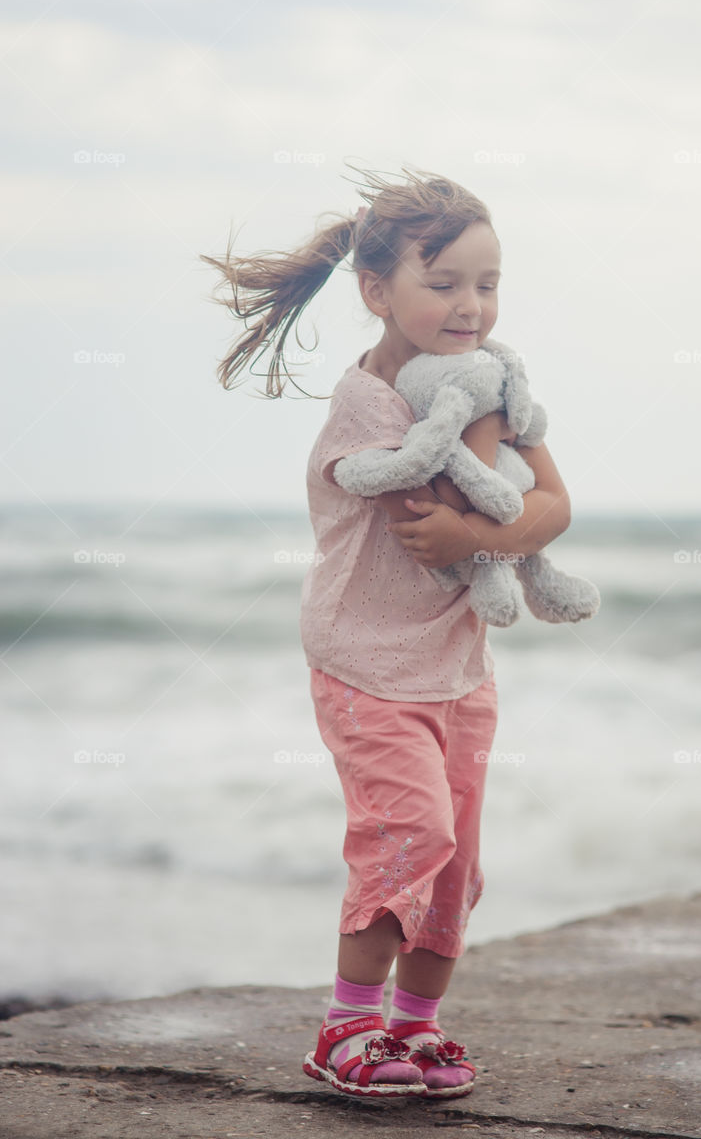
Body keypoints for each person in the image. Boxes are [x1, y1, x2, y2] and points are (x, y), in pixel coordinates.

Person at [202, 165, 572, 1100]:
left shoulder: (489, 379)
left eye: (487, 285)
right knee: (409, 834)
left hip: (457, 668)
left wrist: (492, 502)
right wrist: (486, 466)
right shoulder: (367, 408)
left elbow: (554, 505)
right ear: (376, 292)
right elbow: (439, 516)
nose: (471, 307)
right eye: (442, 284)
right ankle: (345, 1028)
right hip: (367, 664)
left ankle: (415, 1028)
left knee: (457, 865)